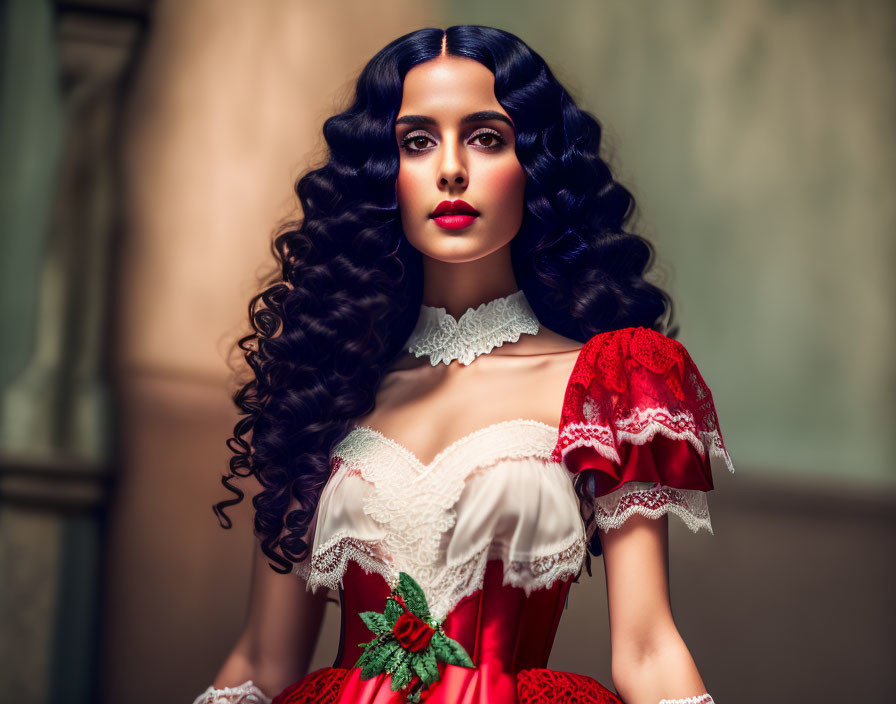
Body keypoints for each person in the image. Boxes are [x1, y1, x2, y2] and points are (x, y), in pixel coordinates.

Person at [192, 24, 734, 704]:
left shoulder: (606, 383)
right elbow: (265, 660)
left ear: (533, 165)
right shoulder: (324, 387)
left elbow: (648, 649)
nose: (450, 168)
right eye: (416, 141)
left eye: (486, 137)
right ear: (384, 173)